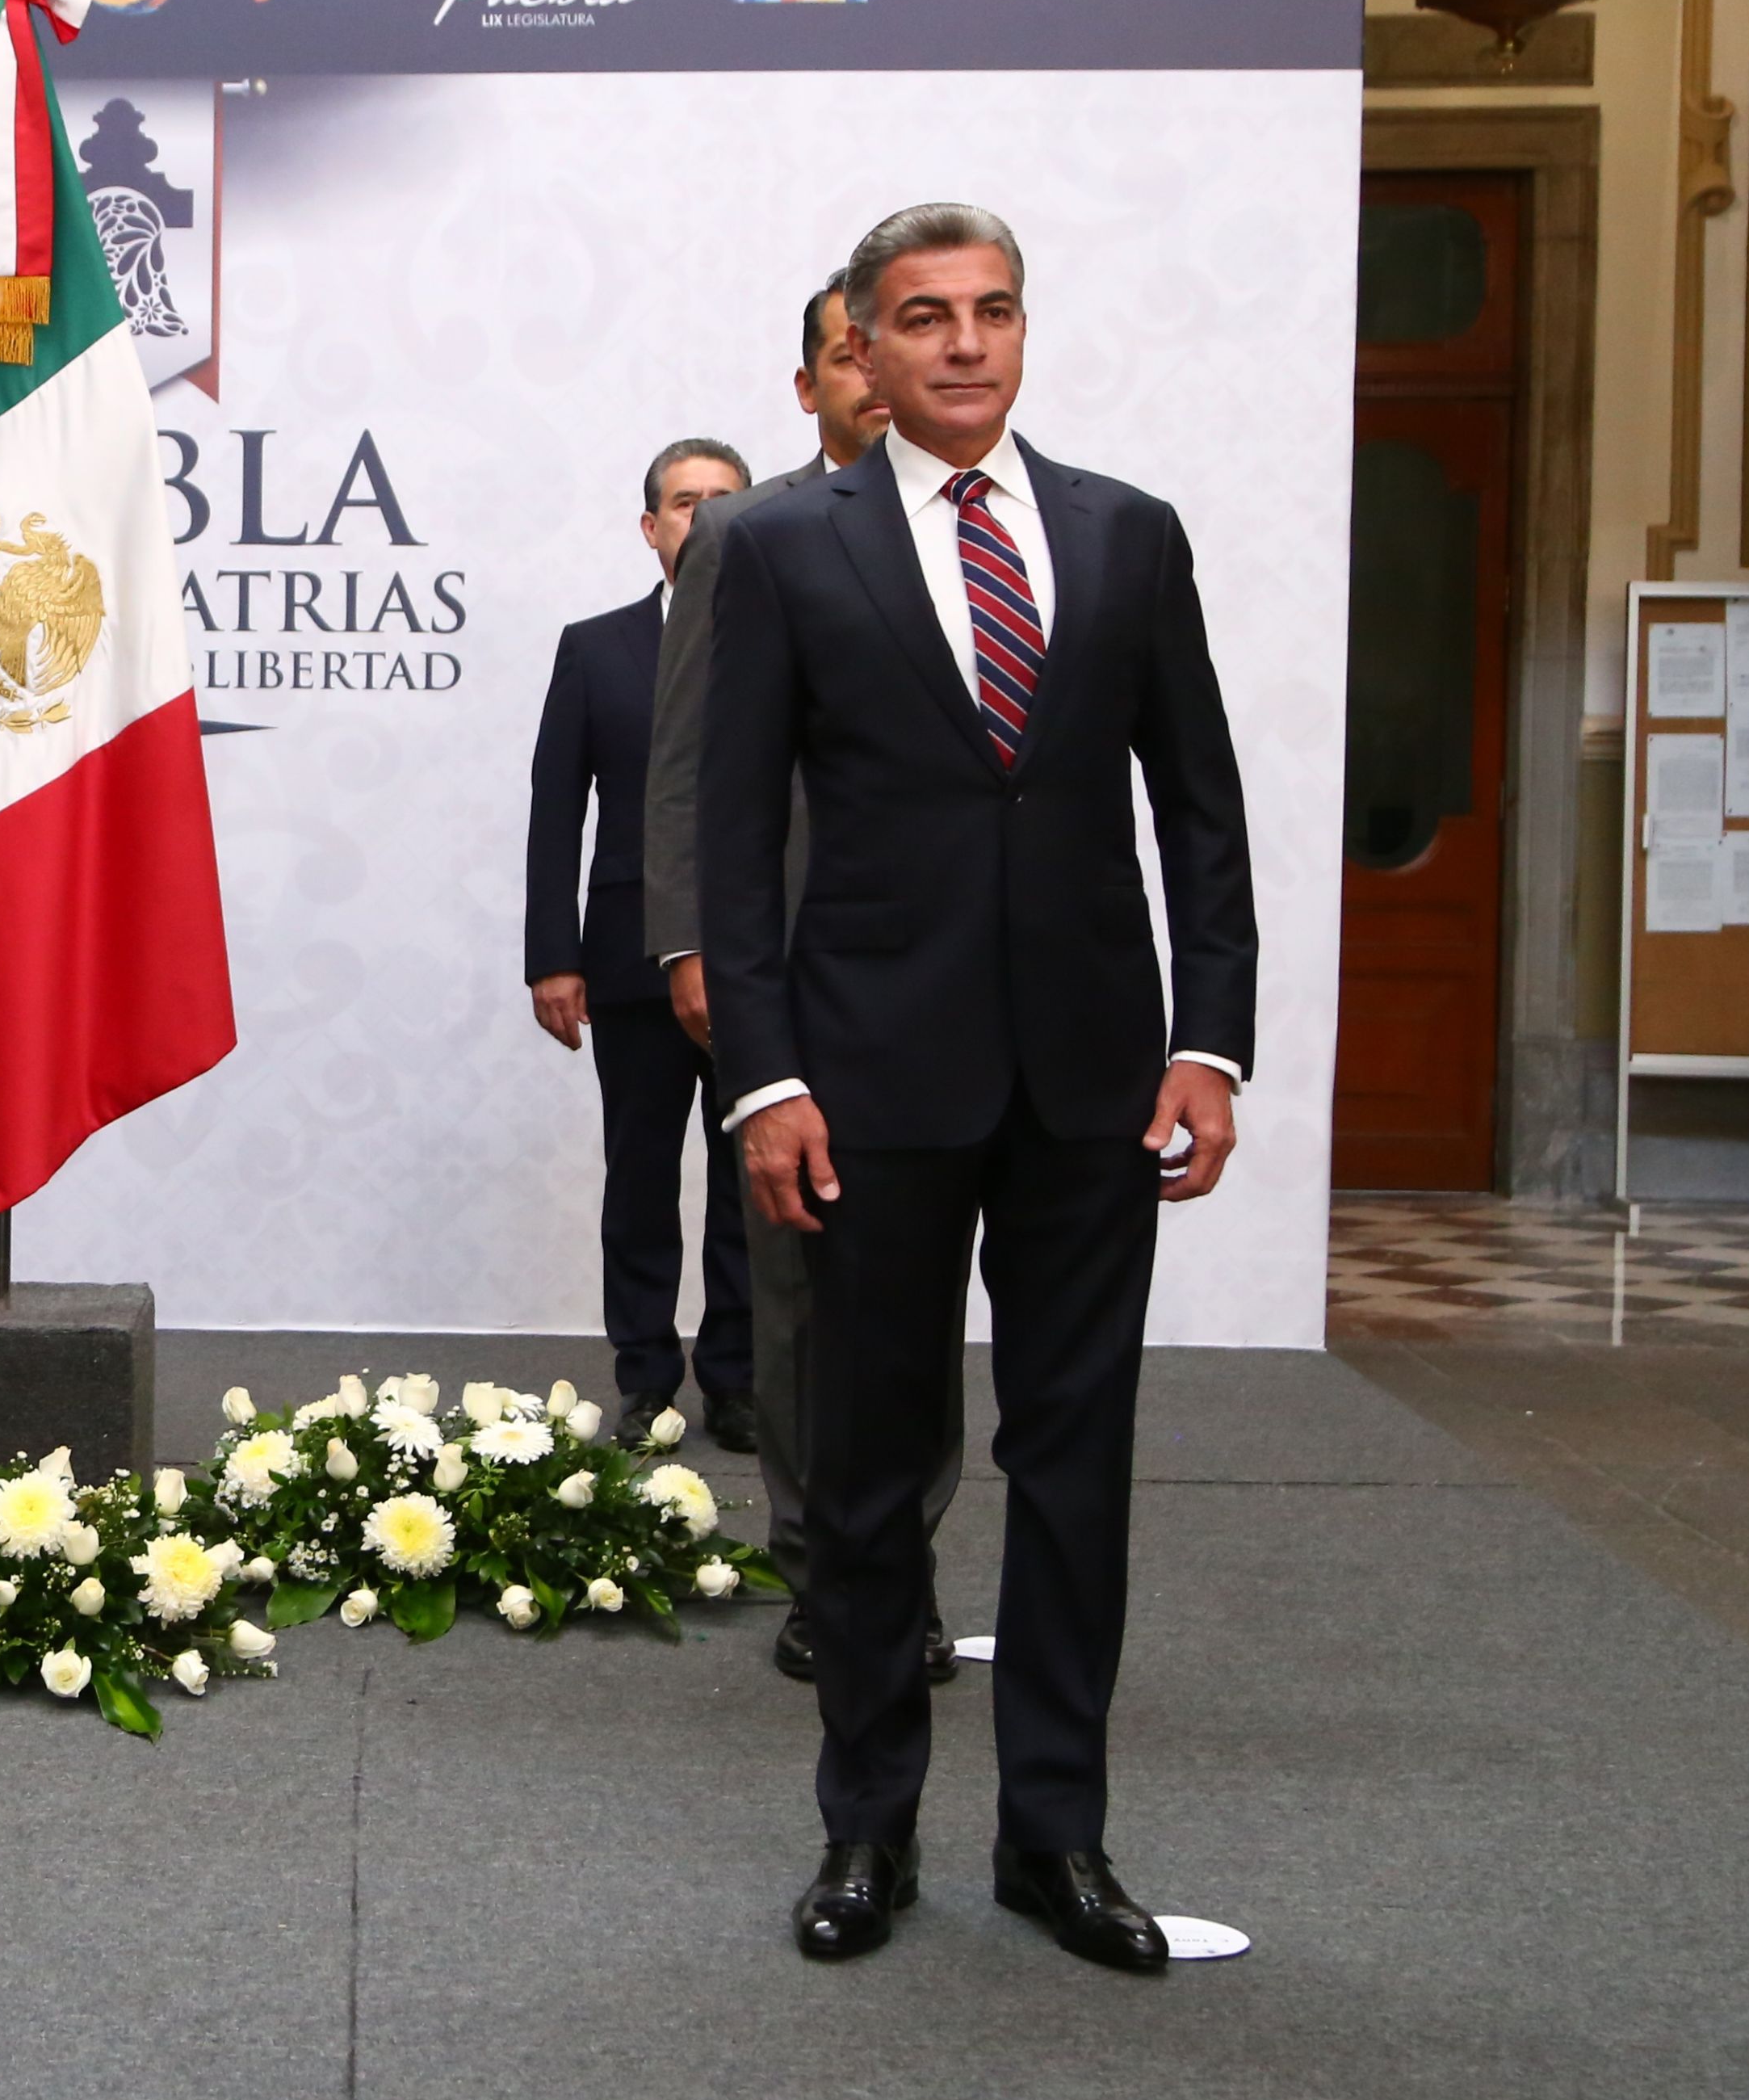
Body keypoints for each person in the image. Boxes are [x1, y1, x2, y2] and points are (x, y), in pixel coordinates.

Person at [698, 204, 1256, 1972]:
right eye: (921, 318)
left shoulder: (1124, 535)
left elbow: (1198, 809)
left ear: (1023, 335)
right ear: (856, 348)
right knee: (863, 1487)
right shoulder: (780, 547)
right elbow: (723, 842)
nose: (961, 345)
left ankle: (1054, 1843)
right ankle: (864, 1836)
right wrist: (763, 1077)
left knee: (1074, 1467)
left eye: (990, 313)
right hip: (864, 1084)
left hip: (1091, 1081)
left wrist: (1207, 1038)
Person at [642, 271, 963, 1689]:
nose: (874, 374)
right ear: (816, 382)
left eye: (883, 347)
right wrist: (692, 942)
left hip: (943, 973)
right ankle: (818, 1569)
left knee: (919, 1288)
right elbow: (690, 763)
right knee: (795, 1283)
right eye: (846, 353)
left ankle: (906, 1566)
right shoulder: (751, 537)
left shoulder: (983, 530)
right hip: (784, 969)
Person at [526, 437, 756, 1458]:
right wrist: (551, 955)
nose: (701, 519)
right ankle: (645, 1378)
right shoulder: (595, 646)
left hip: (761, 955)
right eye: (682, 502)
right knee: (640, 1175)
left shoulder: (797, 637)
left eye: (723, 502)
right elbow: (553, 812)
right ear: (650, 526)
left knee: (752, 1178)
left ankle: (741, 1380)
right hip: (624, 958)